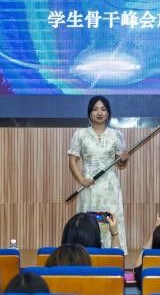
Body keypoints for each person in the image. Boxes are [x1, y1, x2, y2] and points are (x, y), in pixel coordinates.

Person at [68, 95, 128, 247]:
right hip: (89, 186)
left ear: (108, 113)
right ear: (90, 113)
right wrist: (82, 180)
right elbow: (72, 161)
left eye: (103, 109)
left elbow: (120, 164)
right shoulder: (80, 134)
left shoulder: (116, 135)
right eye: (95, 109)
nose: (99, 113)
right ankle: (86, 254)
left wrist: (123, 159)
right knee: (88, 224)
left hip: (110, 189)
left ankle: (113, 253)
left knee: (110, 222)